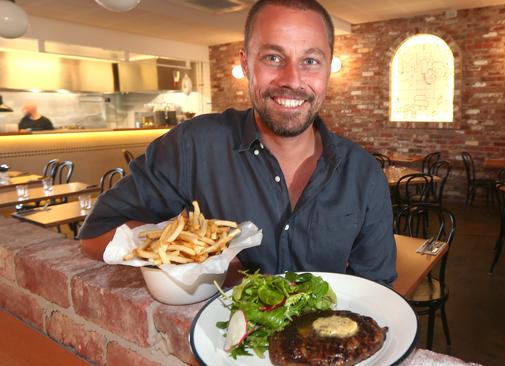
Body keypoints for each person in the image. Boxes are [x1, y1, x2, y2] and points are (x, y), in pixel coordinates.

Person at [79, 0, 397, 285]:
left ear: (328, 68)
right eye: (273, 57)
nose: (292, 79)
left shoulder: (363, 173)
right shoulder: (192, 145)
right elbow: (96, 236)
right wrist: (197, 256)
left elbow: (376, 287)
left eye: (311, 61)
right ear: (246, 64)